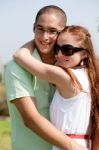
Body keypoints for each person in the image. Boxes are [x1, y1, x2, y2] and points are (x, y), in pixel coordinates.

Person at [4, 5, 87, 150]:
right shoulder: (15, 68)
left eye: (52, 31)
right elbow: (31, 119)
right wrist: (75, 147)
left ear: (62, 32)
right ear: (33, 28)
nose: (44, 37)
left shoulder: (67, 64)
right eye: (40, 29)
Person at [13, 25, 99, 150]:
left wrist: (39, 39)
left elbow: (19, 55)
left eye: (67, 50)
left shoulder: (65, 76)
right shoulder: (90, 77)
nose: (58, 54)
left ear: (85, 53)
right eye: (56, 48)